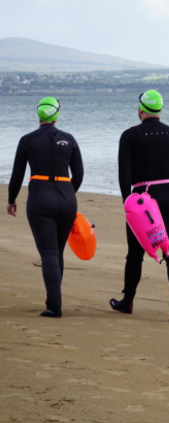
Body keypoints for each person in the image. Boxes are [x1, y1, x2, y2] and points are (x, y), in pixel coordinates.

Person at [110, 90, 169, 322]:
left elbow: (124, 174)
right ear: (160, 110)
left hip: (143, 199)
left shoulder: (130, 135)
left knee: (135, 254)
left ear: (140, 109)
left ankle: (129, 302)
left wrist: (127, 202)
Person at [7, 97, 84, 318]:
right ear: (56, 115)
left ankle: (55, 306)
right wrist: (68, 194)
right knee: (57, 250)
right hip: (67, 197)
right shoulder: (69, 139)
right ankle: (52, 298)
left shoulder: (27, 140)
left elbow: (17, 175)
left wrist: (11, 199)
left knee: (49, 252)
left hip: (40, 197)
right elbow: (78, 175)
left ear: (39, 115)